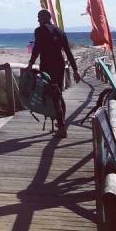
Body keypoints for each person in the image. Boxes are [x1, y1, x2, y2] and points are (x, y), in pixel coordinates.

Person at [26, 9, 81, 138]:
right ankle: (59, 121)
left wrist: (30, 64)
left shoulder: (39, 30)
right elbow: (68, 52)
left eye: (39, 17)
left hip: (47, 67)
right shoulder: (60, 31)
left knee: (53, 95)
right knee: (57, 94)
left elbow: (37, 48)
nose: (38, 20)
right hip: (60, 66)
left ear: (45, 17)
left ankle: (61, 127)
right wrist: (75, 70)